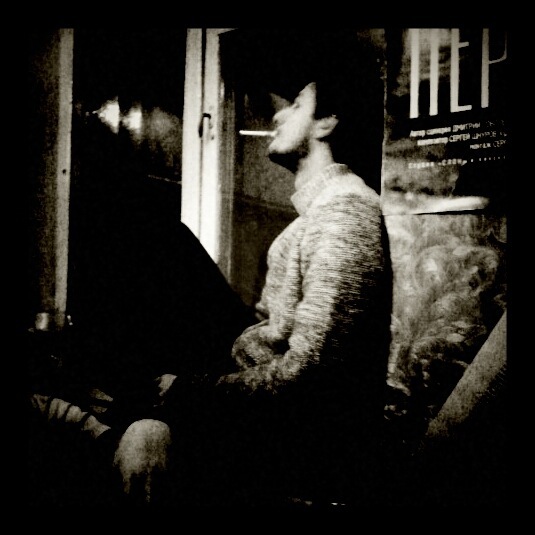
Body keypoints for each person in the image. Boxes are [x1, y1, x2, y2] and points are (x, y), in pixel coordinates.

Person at [29, 48, 393, 506]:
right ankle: (109, 388)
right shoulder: (313, 219)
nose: (279, 115)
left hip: (282, 436)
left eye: (298, 105)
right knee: (153, 243)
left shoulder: (345, 210)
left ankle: (118, 391)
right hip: (243, 381)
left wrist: (189, 390)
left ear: (327, 123)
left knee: (159, 237)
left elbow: (316, 374)